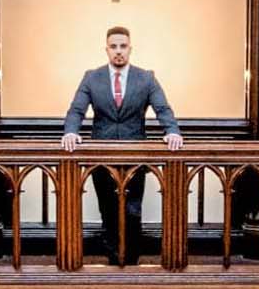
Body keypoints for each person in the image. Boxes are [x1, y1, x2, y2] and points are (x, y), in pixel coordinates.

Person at [61, 27, 183, 262]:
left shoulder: (146, 78)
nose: (118, 51)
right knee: (107, 210)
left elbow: (163, 109)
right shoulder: (91, 77)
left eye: (123, 46)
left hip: (135, 157)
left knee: (132, 211)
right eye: (114, 46)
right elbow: (76, 110)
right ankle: (113, 263)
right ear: (106, 49)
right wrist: (70, 132)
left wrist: (172, 132)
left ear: (130, 48)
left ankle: (131, 262)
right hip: (102, 157)